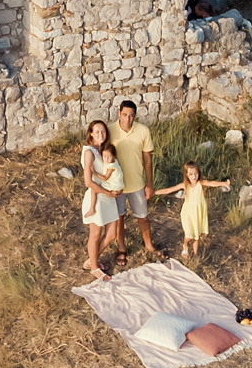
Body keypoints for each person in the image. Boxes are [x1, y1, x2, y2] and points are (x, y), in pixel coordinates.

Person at [108, 99, 160, 258]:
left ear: (135, 116)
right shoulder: (109, 130)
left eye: (131, 116)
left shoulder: (143, 131)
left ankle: (149, 245)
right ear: (119, 113)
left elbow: (148, 159)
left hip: (137, 183)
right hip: (117, 185)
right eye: (124, 115)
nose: (127, 119)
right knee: (119, 218)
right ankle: (122, 248)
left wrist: (149, 184)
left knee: (143, 216)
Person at [154, 161, 231, 260]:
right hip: (188, 214)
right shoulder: (185, 185)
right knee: (189, 235)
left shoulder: (201, 183)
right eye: (191, 174)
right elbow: (169, 190)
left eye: (196, 173)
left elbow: (212, 183)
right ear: (186, 175)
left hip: (198, 214)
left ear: (199, 173)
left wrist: (224, 183)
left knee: (196, 235)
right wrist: (155, 192)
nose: (194, 176)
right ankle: (185, 246)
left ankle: (195, 255)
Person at [79, 120, 124, 278]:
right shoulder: (89, 152)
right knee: (95, 234)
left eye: (103, 131)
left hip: (108, 197)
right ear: (90, 133)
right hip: (97, 196)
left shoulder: (104, 150)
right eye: (97, 132)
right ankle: (94, 268)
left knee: (111, 234)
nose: (101, 135)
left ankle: (92, 260)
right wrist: (108, 193)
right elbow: (88, 182)